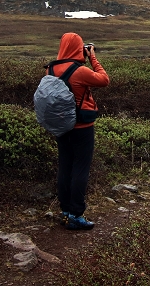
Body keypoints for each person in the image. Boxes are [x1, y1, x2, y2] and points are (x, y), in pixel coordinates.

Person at [47, 32, 110, 230]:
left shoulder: (50, 69)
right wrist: (92, 58)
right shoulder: (80, 71)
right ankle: (76, 214)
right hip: (82, 127)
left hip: (61, 126)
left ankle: (65, 211)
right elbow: (104, 80)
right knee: (80, 169)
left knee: (65, 167)